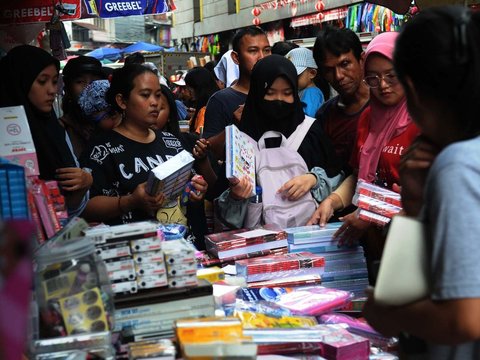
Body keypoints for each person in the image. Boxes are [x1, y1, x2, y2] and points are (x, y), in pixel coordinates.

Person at [363, 6, 480, 358]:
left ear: (412, 85)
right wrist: (415, 203)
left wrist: (385, 311)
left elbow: (464, 319)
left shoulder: (459, 164)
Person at [308, 31, 419, 281]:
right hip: (377, 245)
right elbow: (360, 176)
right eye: (374, 78)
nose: (383, 85)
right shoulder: (369, 118)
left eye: (392, 75)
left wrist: (372, 213)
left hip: (416, 244)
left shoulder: (425, 119)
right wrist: (333, 201)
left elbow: (435, 192)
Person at [216, 55, 342, 229]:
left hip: (308, 238)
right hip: (260, 247)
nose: (279, 100)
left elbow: (337, 177)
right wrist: (236, 197)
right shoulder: (240, 142)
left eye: (287, 93)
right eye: (270, 93)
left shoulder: (309, 131)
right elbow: (224, 213)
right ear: (257, 93)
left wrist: (313, 179)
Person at [80, 64, 207, 226]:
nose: (155, 103)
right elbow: (85, 207)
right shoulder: (102, 149)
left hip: (181, 244)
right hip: (134, 246)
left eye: (158, 95)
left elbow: (189, 184)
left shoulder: (172, 142)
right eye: (145, 95)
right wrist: (129, 201)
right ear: (122, 101)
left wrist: (197, 188)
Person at [0, 45, 91, 218]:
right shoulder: (4, 130)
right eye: (42, 81)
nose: (51, 90)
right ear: (20, 82)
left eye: (55, 81)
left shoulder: (54, 130)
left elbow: (67, 209)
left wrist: (84, 183)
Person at [313, 27, 370, 174]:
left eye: (345, 64)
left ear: (361, 60)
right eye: (329, 70)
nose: (338, 76)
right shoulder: (324, 116)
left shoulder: (385, 106)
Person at [203, 26, 271, 139]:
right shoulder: (220, 101)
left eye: (267, 50)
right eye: (253, 51)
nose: (262, 57)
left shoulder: (280, 93)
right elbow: (210, 149)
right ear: (236, 57)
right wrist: (233, 126)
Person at [60, 56, 106, 157]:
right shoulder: (61, 129)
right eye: (80, 82)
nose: (88, 87)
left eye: (94, 81)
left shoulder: (113, 120)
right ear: (68, 88)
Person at [285, 47, 324, 118]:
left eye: (296, 76)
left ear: (312, 73)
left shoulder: (312, 92)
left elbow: (307, 117)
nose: (292, 80)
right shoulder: (302, 90)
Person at [184, 67, 220, 134]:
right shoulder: (217, 102)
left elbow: (198, 136)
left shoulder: (204, 111)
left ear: (198, 88)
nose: (189, 93)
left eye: (189, 89)